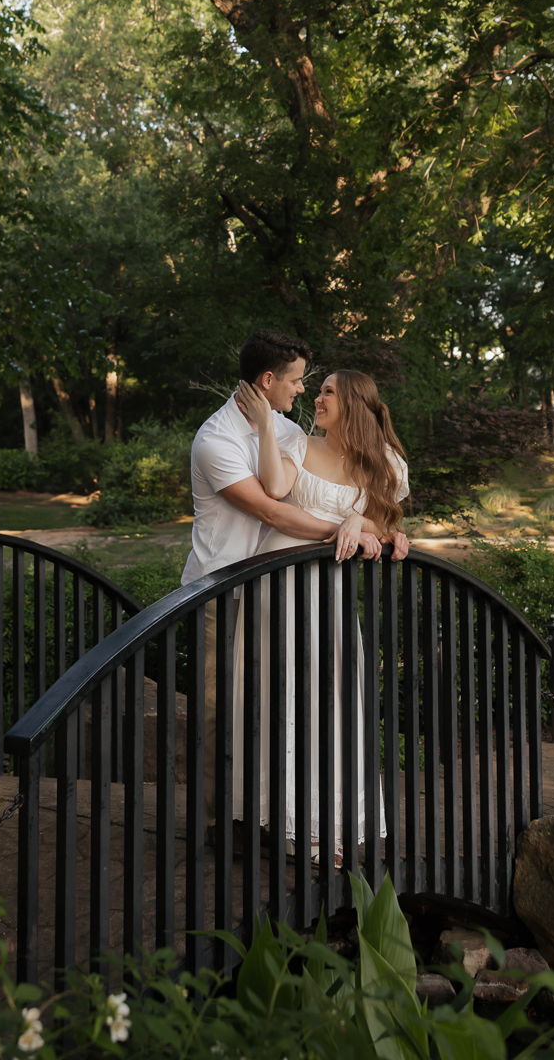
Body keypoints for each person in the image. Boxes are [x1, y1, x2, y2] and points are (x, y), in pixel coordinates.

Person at [183, 330, 379, 827]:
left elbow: (327, 486)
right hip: (221, 587)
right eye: (296, 381)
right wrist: (346, 530)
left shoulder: (287, 429)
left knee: (277, 703)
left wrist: (366, 523)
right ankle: (221, 823)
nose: (303, 390)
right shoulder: (215, 441)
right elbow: (272, 512)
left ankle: (273, 814)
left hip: (280, 588)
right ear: (268, 380)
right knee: (219, 708)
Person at [232, 367, 410, 862]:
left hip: (332, 589)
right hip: (280, 580)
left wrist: (361, 520)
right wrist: (267, 426)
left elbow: (383, 521)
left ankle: (332, 822)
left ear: (352, 401)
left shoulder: (386, 463)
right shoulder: (301, 444)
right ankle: (291, 822)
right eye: (319, 390)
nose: (318, 397)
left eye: (328, 391)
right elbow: (274, 489)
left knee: (334, 697)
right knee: (284, 696)